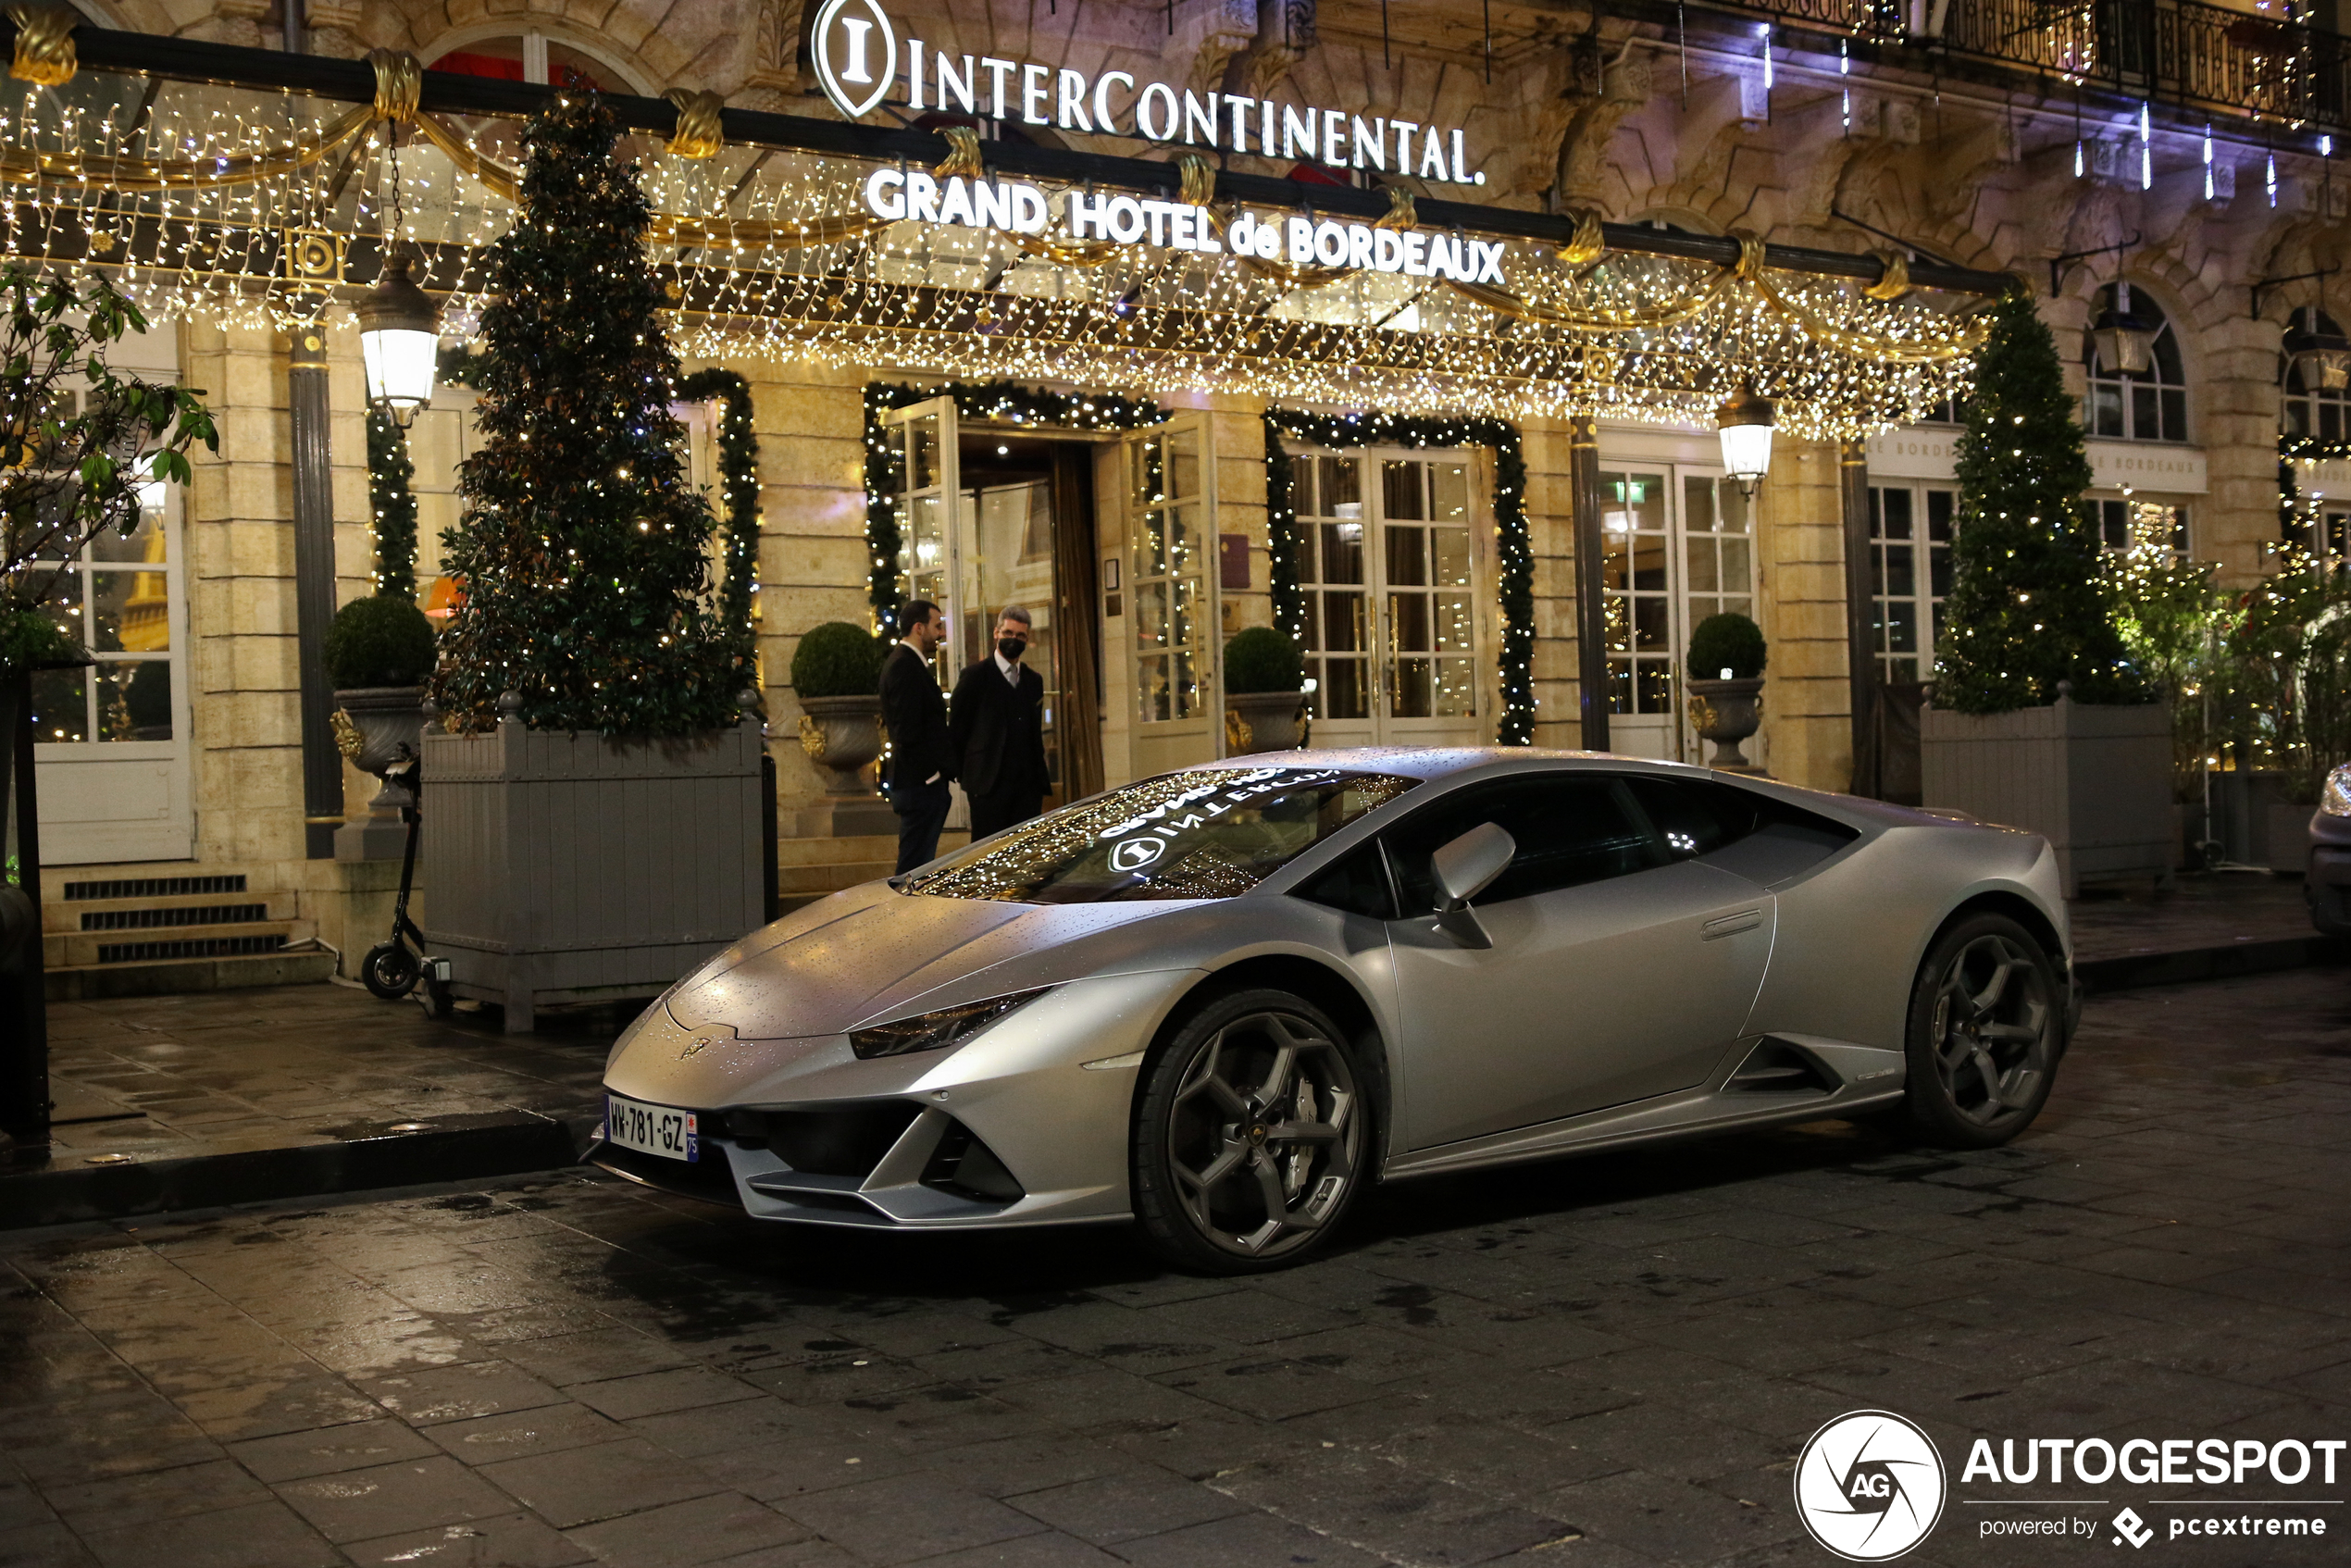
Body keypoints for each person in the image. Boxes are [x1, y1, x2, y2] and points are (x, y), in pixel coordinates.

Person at [950, 604, 1051, 839]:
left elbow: (1033, 730)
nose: (1014, 639)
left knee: (1025, 851)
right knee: (986, 851)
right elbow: (958, 727)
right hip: (988, 783)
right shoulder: (975, 676)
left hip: (1026, 785)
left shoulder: (1033, 680)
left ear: (1027, 638)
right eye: (1008, 633)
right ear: (996, 633)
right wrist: (965, 773)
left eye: (1020, 635)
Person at [879, 599, 953, 874]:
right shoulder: (904, 666)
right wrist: (932, 776)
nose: (941, 633)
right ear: (919, 628)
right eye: (937, 626)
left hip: (920, 785)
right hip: (918, 786)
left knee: (919, 865)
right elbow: (907, 732)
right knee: (913, 868)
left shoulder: (910, 664)